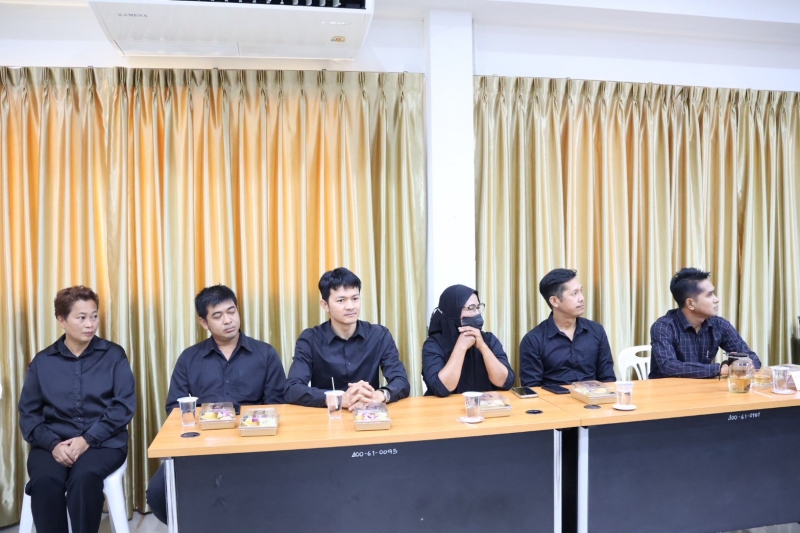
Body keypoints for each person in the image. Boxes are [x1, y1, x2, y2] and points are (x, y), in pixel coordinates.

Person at [146, 284, 286, 524]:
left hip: (252, 442)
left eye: (232, 311)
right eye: (218, 315)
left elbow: (277, 406)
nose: (228, 320)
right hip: (202, 443)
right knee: (158, 494)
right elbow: (174, 409)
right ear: (204, 322)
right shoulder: (189, 358)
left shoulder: (265, 354)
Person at [19, 286, 136, 533]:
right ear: (62, 320)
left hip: (103, 443)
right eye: (81, 318)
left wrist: (87, 440)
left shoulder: (114, 355)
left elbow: (123, 406)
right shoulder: (42, 362)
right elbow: (29, 415)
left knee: (84, 479)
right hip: (53, 443)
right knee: (44, 481)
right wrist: (53, 445)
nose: (90, 324)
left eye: (94, 316)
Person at [285, 267, 410, 409]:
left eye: (355, 298)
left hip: (368, 414)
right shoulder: (310, 339)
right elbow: (292, 389)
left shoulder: (379, 335)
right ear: (325, 305)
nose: (350, 306)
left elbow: (401, 381)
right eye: (341, 300)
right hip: (328, 416)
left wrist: (380, 394)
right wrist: (336, 399)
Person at [649, 268, 760, 378]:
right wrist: (720, 369)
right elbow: (669, 366)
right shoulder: (663, 327)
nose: (716, 299)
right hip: (667, 388)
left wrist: (735, 364)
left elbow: (752, 358)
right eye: (709, 295)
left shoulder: (719, 325)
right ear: (690, 303)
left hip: (703, 387)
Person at [519, 269, 616, 387]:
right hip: (554, 398)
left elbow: (607, 378)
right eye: (574, 293)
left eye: (581, 291)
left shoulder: (596, 331)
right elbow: (532, 388)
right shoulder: (533, 340)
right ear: (554, 301)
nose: (582, 298)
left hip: (594, 396)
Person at [422, 284, 514, 396]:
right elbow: (441, 388)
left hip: (484, 405)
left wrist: (483, 347)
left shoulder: (489, 339)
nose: (478, 313)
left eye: (478, 307)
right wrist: (461, 347)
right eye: (471, 308)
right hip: (446, 406)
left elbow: (505, 382)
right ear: (453, 311)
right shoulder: (433, 344)